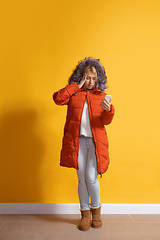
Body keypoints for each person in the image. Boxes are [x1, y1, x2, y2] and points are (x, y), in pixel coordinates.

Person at [53, 57, 115, 231]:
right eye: (87, 77)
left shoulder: (101, 96)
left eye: (93, 79)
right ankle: (85, 214)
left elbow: (105, 121)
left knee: (91, 178)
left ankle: (96, 212)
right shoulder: (74, 94)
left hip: (95, 143)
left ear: (98, 79)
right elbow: (58, 98)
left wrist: (109, 109)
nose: (90, 81)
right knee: (81, 179)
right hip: (77, 141)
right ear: (81, 76)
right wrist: (76, 85)